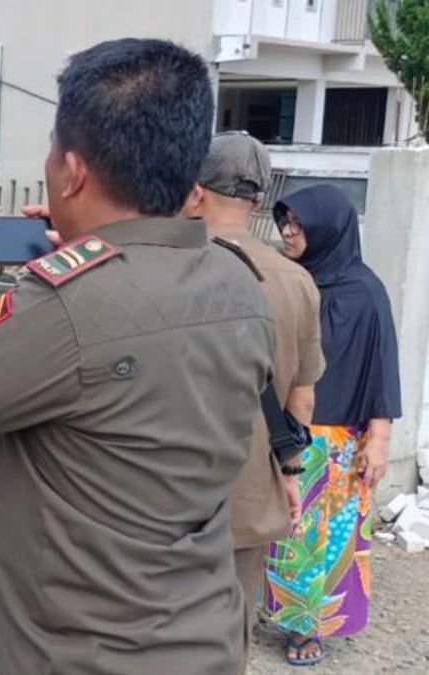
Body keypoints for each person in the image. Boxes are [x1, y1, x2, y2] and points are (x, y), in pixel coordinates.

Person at [0, 39, 275, 674]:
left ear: (73, 170)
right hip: (205, 636)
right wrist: (83, 258)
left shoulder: (65, 306)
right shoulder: (238, 283)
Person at [183, 131, 325, 668]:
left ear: (194, 188)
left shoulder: (163, 265)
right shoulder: (297, 281)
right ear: (259, 200)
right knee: (226, 636)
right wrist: (289, 474)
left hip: (162, 491)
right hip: (246, 495)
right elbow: (301, 397)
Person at [265, 184, 402, 666]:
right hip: (284, 429)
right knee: (279, 530)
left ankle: (310, 626)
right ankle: (271, 607)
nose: (287, 231)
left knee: (322, 540)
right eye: (285, 221)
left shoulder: (366, 293)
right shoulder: (288, 281)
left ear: (327, 228)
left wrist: (380, 440)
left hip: (338, 440)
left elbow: (382, 367)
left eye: (299, 224)